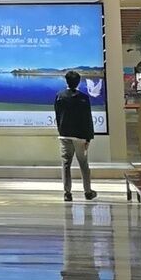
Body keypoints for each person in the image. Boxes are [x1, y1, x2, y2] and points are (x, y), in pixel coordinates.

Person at [53, 72, 98, 201]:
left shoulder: (59, 96)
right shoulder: (83, 98)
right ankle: (88, 191)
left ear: (66, 81)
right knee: (84, 164)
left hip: (65, 135)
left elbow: (57, 115)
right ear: (78, 82)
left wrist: (61, 130)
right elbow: (87, 119)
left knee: (66, 164)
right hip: (80, 136)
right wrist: (89, 137)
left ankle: (67, 193)